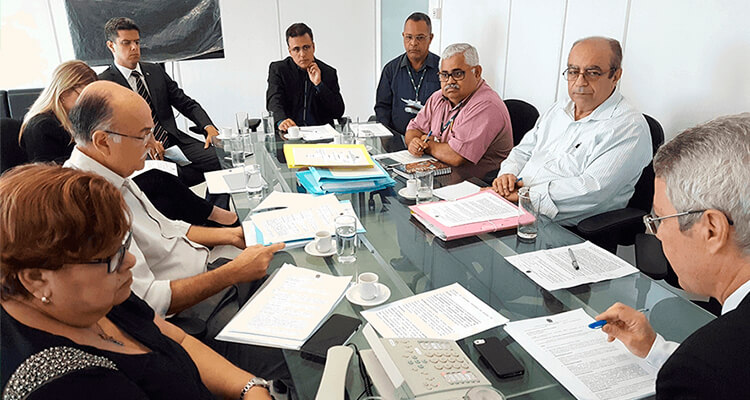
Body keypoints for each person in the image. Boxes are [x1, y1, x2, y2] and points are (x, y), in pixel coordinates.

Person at [63, 81, 290, 384]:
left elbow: (170, 229)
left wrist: (231, 236)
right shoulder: (90, 204)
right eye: (143, 135)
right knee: (288, 353)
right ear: (103, 141)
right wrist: (234, 272)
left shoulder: (115, 173)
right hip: (195, 314)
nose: (153, 143)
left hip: (210, 276)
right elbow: (149, 302)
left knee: (286, 270)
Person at [0, 164, 272, 400]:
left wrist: (249, 386)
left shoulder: (96, 296)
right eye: (112, 256)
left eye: (124, 245)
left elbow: (177, 338)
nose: (130, 260)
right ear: (36, 279)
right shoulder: (63, 385)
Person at [594, 114, 750, 399]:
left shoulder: (704, 367)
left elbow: (714, 374)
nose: (657, 234)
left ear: (712, 229)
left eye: (662, 218)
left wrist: (686, 365)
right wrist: (655, 350)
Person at [18, 60, 236, 227]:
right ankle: (216, 218)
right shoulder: (41, 126)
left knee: (165, 187)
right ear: (64, 90)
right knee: (160, 179)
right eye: (85, 95)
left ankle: (207, 220)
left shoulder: (70, 118)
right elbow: (58, 177)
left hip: (99, 179)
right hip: (80, 193)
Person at [492, 36, 651, 226]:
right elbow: (523, 151)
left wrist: (525, 195)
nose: (580, 82)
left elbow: (593, 188)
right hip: (515, 205)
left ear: (615, 76)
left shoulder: (629, 127)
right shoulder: (559, 109)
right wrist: (506, 176)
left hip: (560, 227)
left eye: (592, 72)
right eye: (573, 71)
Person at [98, 17, 223, 190]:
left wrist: (208, 126)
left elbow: (186, 104)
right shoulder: (104, 83)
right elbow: (111, 128)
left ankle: (215, 212)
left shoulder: (155, 70)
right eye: (126, 43)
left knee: (224, 159)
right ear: (111, 46)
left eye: (137, 42)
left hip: (174, 141)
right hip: (140, 150)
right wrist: (145, 140)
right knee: (163, 178)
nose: (134, 47)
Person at [405, 43, 513, 183]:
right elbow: (413, 129)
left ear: (477, 72)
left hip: (477, 185)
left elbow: (456, 156)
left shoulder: (486, 105)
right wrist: (414, 142)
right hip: (442, 176)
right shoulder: (438, 97)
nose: (450, 81)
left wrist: (427, 145)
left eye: (457, 74)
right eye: (444, 75)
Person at [266, 22, 345, 132]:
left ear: (313, 47)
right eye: (296, 49)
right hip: (290, 134)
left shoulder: (328, 72)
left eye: (306, 47)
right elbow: (274, 101)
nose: (302, 54)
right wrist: (281, 121)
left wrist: (319, 85)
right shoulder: (279, 70)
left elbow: (338, 112)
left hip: (321, 136)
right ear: (290, 51)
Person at [375, 12, 441, 137]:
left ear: (430, 38)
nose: (413, 43)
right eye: (409, 37)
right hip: (396, 140)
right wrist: (388, 138)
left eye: (420, 37)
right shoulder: (391, 70)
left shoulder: (442, 70)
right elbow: (382, 108)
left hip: (431, 141)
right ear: (403, 36)